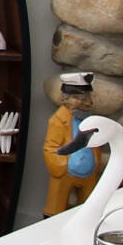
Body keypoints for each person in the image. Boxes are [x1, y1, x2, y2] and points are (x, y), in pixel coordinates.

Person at [41, 72, 97, 217]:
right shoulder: (58, 121)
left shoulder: (91, 120)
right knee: (55, 210)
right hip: (66, 171)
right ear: (66, 99)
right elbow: (50, 147)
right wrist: (62, 165)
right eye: (80, 98)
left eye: (88, 97)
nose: (88, 102)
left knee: (89, 210)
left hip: (89, 172)